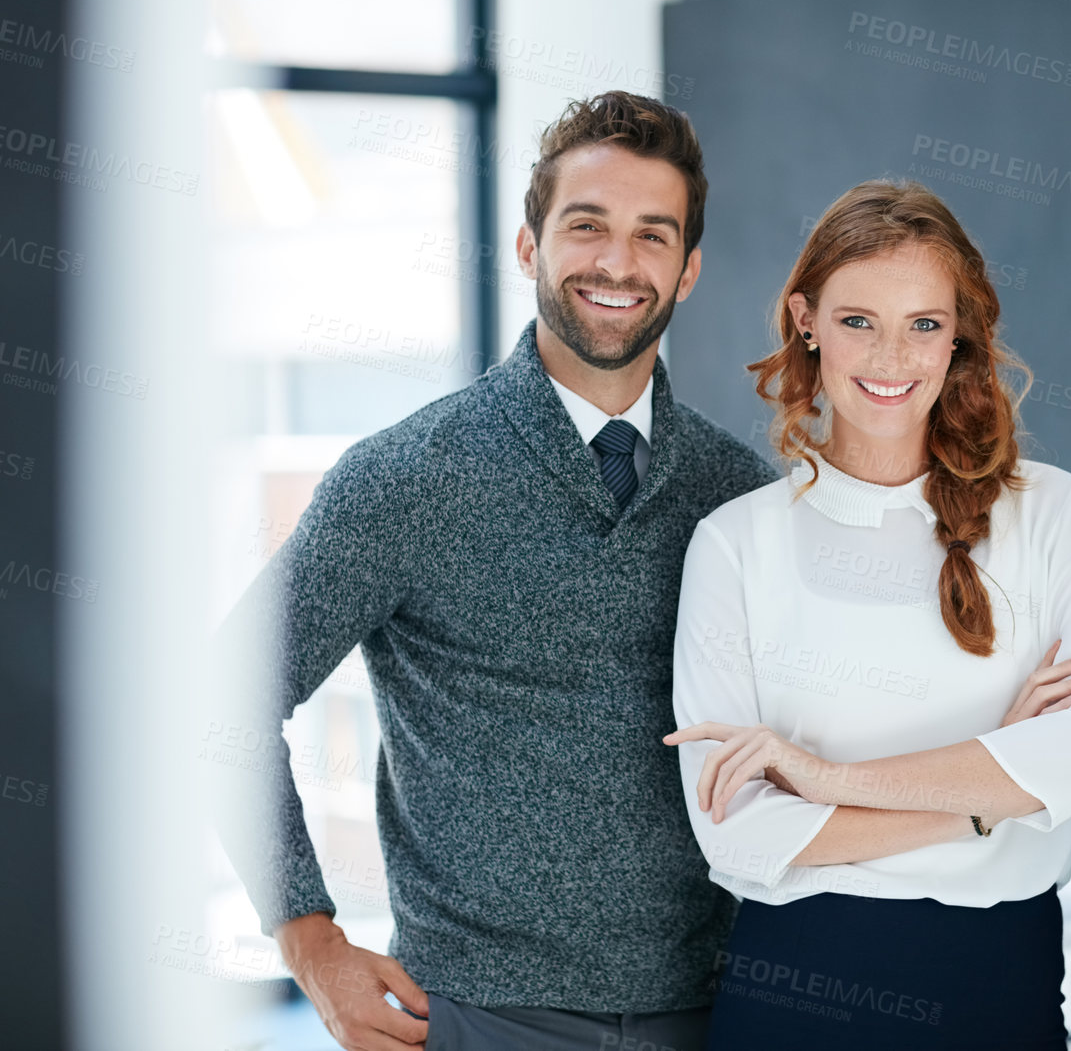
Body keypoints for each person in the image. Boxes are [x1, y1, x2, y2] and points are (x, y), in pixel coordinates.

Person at [213, 90, 778, 1051]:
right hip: (478, 1016)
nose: (616, 262)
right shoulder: (404, 480)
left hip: (714, 1009)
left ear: (686, 273)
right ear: (528, 248)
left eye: (653, 236)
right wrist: (310, 941)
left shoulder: (739, 491)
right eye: (586, 226)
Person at [661, 180, 1071, 1051]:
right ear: (805, 319)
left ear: (960, 331)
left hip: (997, 981)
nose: (890, 358)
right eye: (856, 322)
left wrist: (826, 778)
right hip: (792, 988)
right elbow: (737, 833)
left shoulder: (1056, 514)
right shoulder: (733, 543)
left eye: (923, 323)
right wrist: (986, 801)